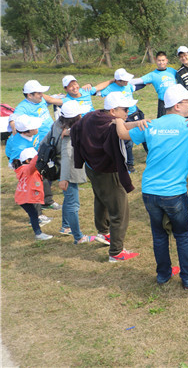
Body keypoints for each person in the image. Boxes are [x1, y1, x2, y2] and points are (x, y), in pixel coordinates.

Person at [115, 84, 188, 289]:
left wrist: (119, 119)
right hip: (174, 193)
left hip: (149, 191)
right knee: (182, 235)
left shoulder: (151, 124)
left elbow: (122, 134)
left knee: (159, 235)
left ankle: (163, 275)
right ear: (177, 105)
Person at [71, 92, 144, 262]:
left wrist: (134, 123)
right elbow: (117, 129)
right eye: (125, 109)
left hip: (91, 167)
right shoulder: (110, 126)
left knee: (101, 198)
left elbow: (75, 128)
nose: (128, 112)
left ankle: (103, 232)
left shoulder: (91, 116)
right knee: (120, 211)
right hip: (108, 172)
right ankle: (116, 252)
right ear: (113, 111)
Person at [46, 100, 106, 244]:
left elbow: (46, 141)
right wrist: (64, 178)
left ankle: (66, 226)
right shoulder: (68, 134)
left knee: (68, 199)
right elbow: (67, 156)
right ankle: (78, 237)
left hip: (59, 166)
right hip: (68, 171)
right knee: (73, 204)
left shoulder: (57, 124)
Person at [10, 79, 63, 211]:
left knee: (49, 170)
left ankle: (45, 198)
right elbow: (14, 118)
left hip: (49, 140)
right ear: (29, 95)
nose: (41, 95)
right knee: (40, 174)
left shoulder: (41, 100)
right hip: (38, 146)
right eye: (39, 93)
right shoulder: (23, 107)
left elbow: (50, 100)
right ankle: (42, 203)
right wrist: (13, 125)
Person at [99, 68, 143, 172]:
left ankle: (129, 163)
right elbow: (94, 91)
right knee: (126, 142)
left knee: (132, 140)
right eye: (124, 80)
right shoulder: (110, 88)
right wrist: (110, 81)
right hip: (121, 117)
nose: (127, 82)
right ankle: (127, 165)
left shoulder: (128, 85)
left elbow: (139, 85)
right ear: (117, 80)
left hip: (133, 114)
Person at [14, 148, 53, 241]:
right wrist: (40, 153)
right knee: (33, 214)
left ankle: (37, 227)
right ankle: (38, 233)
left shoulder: (22, 169)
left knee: (33, 214)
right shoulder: (28, 169)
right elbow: (33, 164)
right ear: (28, 161)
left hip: (21, 197)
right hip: (24, 198)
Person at [131, 51, 179, 118]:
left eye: (163, 60)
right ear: (156, 61)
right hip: (163, 103)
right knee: (162, 122)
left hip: (176, 101)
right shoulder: (152, 75)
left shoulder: (172, 71)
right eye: (159, 60)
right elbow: (137, 81)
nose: (161, 62)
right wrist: (120, 80)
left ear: (166, 60)